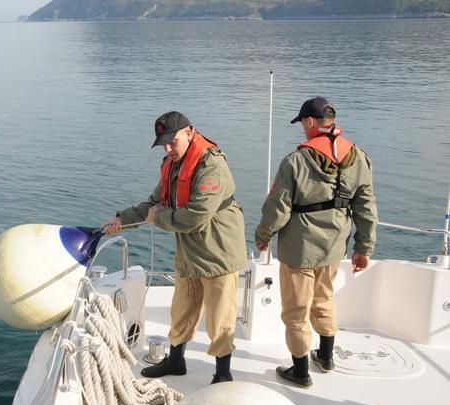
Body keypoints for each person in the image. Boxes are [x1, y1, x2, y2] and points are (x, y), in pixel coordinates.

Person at [103, 111, 247, 384]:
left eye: (173, 141)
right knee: (182, 309)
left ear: (189, 132)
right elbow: (154, 202)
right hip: (189, 251)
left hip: (218, 253)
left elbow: (196, 216)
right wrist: (122, 220)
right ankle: (176, 360)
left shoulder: (211, 166)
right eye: (163, 143)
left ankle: (222, 373)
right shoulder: (173, 164)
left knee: (220, 318)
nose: (168, 148)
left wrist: (159, 218)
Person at [255, 97, 377, 388]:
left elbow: (278, 207)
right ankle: (326, 356)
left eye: (302, 124)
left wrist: (263, 236)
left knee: (296, 311)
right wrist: (364, 248)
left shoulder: (295, 161)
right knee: (324, 299)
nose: (302, 130)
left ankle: (300, 371)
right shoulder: (358, 156)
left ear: (310, 122)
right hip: (335, 247)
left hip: (300, 249)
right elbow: (367, 206)